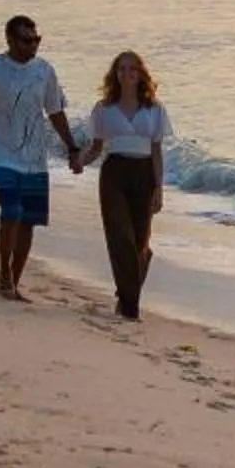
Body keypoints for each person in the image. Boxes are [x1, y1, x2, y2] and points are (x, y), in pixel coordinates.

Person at [0, 14, 81, 302]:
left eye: (36, 40)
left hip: (35, 156)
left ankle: (14, 282)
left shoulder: (45, 71)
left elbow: (55, 111)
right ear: (10, 40)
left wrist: (72, 147)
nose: (32, 45)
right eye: (26, 40)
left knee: (29, 220)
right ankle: (3, 275)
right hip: (0, 153)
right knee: (12, 209)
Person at [75, 49, 171, 320]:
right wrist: (81, 161)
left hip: (144, 173)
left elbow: (156, 151)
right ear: (114, 74)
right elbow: (96, 147)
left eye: (132, 69)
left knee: (139, 241)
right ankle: (130, 308)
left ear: (141, 74)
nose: (126, 74)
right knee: (120, 237)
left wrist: (159, 188)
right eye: (121, 69)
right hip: (114, 172)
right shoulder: (104, 108)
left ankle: (127, 293)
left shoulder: (155, 108)